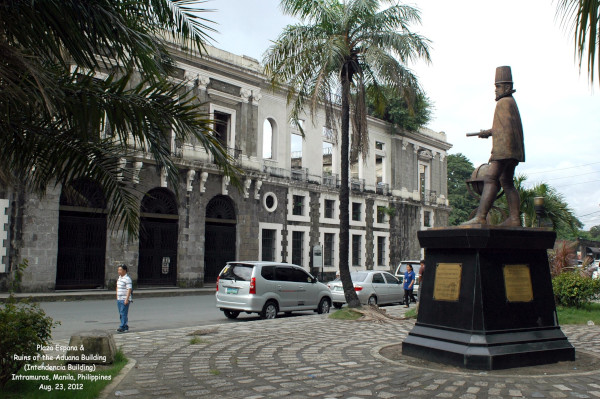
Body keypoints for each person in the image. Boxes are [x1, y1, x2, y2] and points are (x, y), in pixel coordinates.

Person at [463, 66, 524, 227]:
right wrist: (488, 132)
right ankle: (515, 218)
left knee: (490, 178)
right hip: (513, 150)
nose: (495, 90)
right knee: (507, 182)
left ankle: (481, 216)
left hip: (504, 150)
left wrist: (495, 153)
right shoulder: (511, 102)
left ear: (508, 87)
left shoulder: (503, 103)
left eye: (498, 86)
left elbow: (503, 132)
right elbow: (503, 128)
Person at [116, 264, 132, 333]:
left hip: (124, 298)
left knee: (123, 313)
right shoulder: (119, 278)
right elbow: (117, 287)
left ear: (124, 271)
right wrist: (117, 295)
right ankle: (125, 326)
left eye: (120, 270)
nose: (119, 271)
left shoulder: (127, 279)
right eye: (118, 270)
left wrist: (127, 299)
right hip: (119, 298)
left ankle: (122, 326)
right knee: (121, 313)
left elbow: (129, 289)